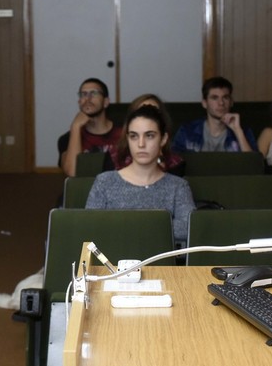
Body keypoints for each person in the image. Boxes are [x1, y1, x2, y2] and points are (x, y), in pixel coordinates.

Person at [85, 104, 194, 245]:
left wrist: (127, 225)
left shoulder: (178, 186)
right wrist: (155, 225)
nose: (141, 144)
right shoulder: (105, 182)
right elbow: (89, 228)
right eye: (134, 136)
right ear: (127, 139)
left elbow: (189, 228)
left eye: (149, 136)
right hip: (113, 264)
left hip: (163, 265)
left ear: (163, 139)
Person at [57, 78, 124, 178]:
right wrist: (75, 127)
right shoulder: (68, 138)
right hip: (86, 190)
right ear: (79, 102)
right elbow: (72, 173)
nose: (88, 99)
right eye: (83, 94)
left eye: (94, 93)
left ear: (106, 102)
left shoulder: (123, 133)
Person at [171, 76, 255, 156]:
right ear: (204, 103)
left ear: (231, 102)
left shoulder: (244, 132)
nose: (221, 103)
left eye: (225, 97)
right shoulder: (187, 131)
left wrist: (238, 131)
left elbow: (253, 166)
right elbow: (173, 164)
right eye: (215, 98)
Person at [109, 93, 184, 175]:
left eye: (149, 135)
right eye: (141, 112)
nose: (141, 144)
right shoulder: (113, 156)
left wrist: (160, 161)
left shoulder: (176, 163)